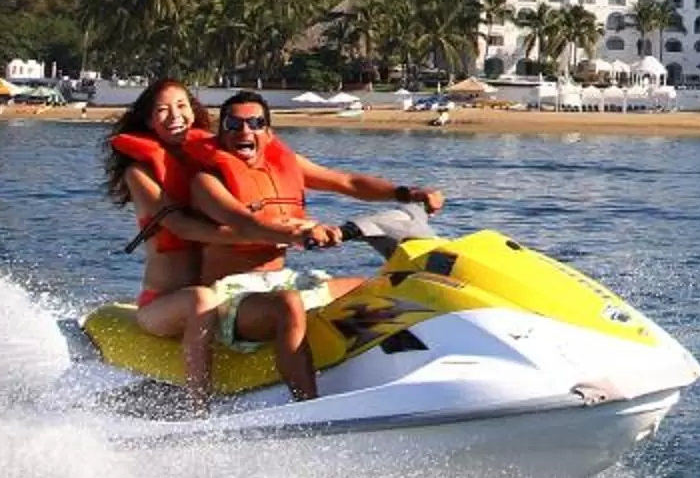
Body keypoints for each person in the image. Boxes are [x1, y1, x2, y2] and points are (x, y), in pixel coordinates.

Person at [183, 89, 445, 401]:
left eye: (255, 123)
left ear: (268, 133)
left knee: (385, 289)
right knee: (288, 305)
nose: (245, 131)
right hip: (230, 297)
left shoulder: (284, 163)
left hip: (282, 280)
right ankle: (308, 407)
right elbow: (243, 222)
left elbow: (347, 182)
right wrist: (298, 234)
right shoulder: (206, 180)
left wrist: (408, 193)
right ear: (221, 130)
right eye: (234, 124)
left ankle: (399, 375)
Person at [101, 78, 233, 403]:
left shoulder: (214, 162)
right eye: (162, 110)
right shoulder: (139, 173)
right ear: (148, 121)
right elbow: (180, 225)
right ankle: (198, 407)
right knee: (200, 300)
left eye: (181, 106)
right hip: (160, 304)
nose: (174, 115)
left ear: (194, 111)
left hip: (221, 293)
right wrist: (246, 231)